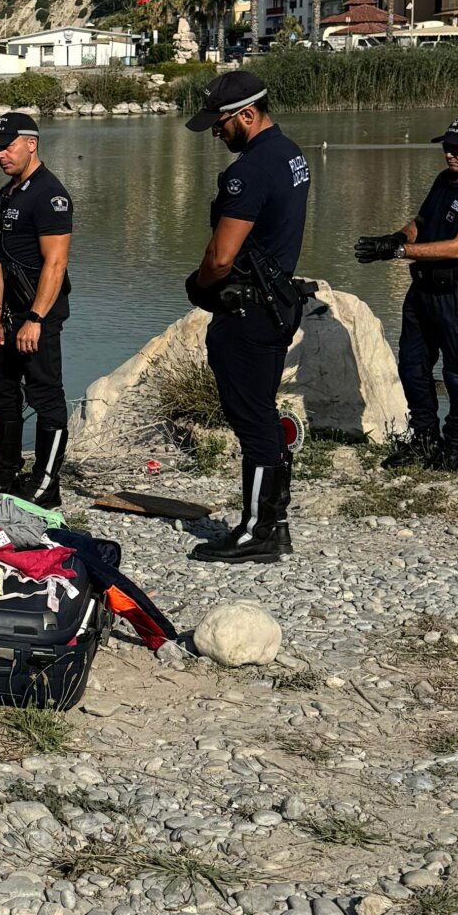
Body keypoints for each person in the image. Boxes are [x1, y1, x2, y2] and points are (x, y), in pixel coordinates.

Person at [182, 69, 311, 564]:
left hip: (247, 309)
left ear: (248, 115)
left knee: (251, 417)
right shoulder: (291, 154)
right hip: (276, 302)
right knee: (260, 411)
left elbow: (221, 255)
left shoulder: (249, 170)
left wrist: (200, 286)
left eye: (220, 124)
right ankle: (272, 525)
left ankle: (258, 532)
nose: (216, 132)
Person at [356, 116, 458, 473]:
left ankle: (456, 444)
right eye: (446, 147)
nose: (449, 154)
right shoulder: (446, 181)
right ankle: (424, 437)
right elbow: (422, 222)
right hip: (422, 289)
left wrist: (397, 254)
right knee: (412, 367)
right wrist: (397, 238)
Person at [0, 111, 74, 507]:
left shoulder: (50, 195)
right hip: (9, 315)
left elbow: (56, 263)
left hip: (39, 315)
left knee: (45, 396)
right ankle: (6, 468)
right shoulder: (6, 195)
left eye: (9, 146)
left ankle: (47, 482)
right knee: (1, 394)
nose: (2, 154)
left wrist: (35, 319)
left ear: (31, 144)